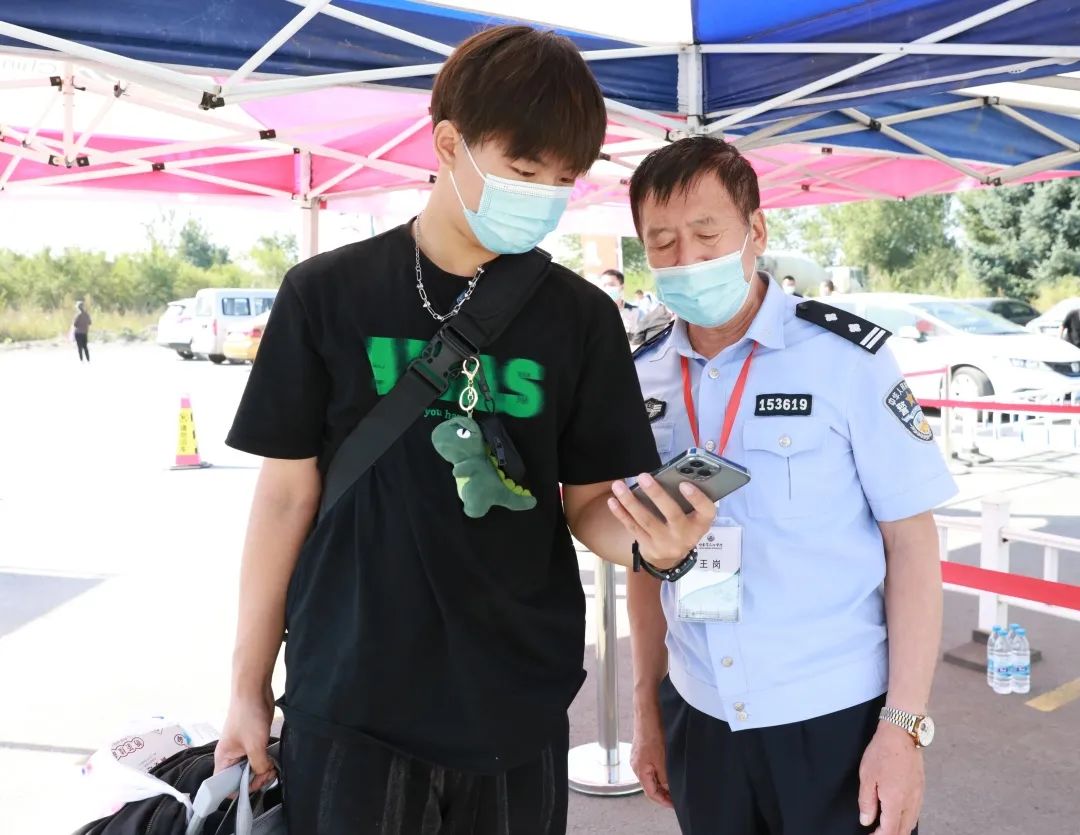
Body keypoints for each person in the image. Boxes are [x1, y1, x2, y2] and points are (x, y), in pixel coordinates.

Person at [215, 26, 715, 835]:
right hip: (350, 699)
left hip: (515, 706)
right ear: (448, 143)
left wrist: (654, 545)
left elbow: (589, 504)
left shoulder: (581, 318)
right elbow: (283, 499)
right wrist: (247, 685)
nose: (544, 194)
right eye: (524, 170)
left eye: (563, 178)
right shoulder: (325, 294)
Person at [626, 137, 957, 835]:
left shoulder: (845, 360)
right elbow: (643, 560)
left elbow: (911, 543)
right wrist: (647, 707)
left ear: (757, 230)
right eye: (663, 242)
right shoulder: (641, 376)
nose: (687, 258)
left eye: (706, 234)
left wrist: (903, 728)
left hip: (834, 719)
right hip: (701, 712)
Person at [599, 267, 640, 337]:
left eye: (611, 284)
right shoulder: (594, 313)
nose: (607, 288)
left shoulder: (634, 311)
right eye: (604, 285)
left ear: (622, 287)